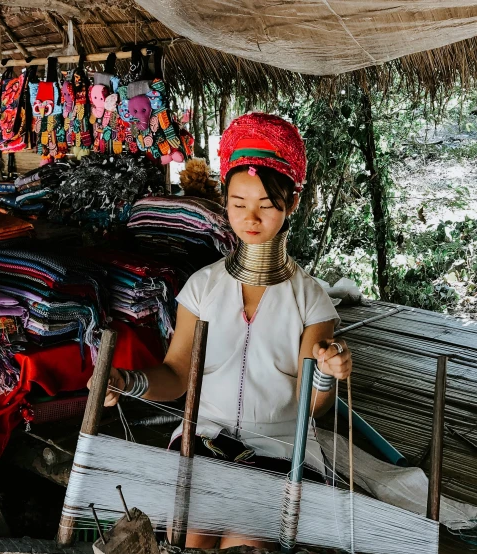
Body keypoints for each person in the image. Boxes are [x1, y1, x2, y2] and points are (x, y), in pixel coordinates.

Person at [96, 113, 352, 549]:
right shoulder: (202, 287)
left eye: (266, 205)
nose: (250, 218)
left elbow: (313, 404)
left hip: (277, 451)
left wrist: (328, 371)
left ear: (290, 204)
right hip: (202, 442)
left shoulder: (310, 300)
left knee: (246, 544)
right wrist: (127, 381)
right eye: (237, 203)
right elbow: (177, 375)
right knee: (189, 541)